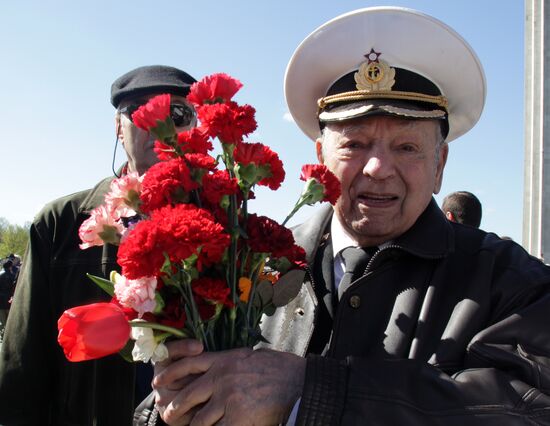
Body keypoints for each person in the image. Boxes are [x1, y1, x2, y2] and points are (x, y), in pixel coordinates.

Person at [137, 7, 550, 426]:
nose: (377, 168)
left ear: (440, 165)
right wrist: (173, 403)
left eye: (406, 147)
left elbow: (534, 408)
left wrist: (311, 392)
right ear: (320, 157)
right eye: (355, 144)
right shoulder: (250, 262)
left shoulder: (510, 282)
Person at [0, 65, 198, 426]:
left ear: (195, 126)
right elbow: (22, 364)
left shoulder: (228, 224)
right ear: (117, 128)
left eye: (177, 112)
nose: (160, 123)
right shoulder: (61, 223)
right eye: (140, 109)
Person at [0, 259, 16, 333]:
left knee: (3, 320)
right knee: (11, 320)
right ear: (10, 267)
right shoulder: (13, 276)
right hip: (10, 300)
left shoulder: (0, 274)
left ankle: (4, 333)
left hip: (1, 301)